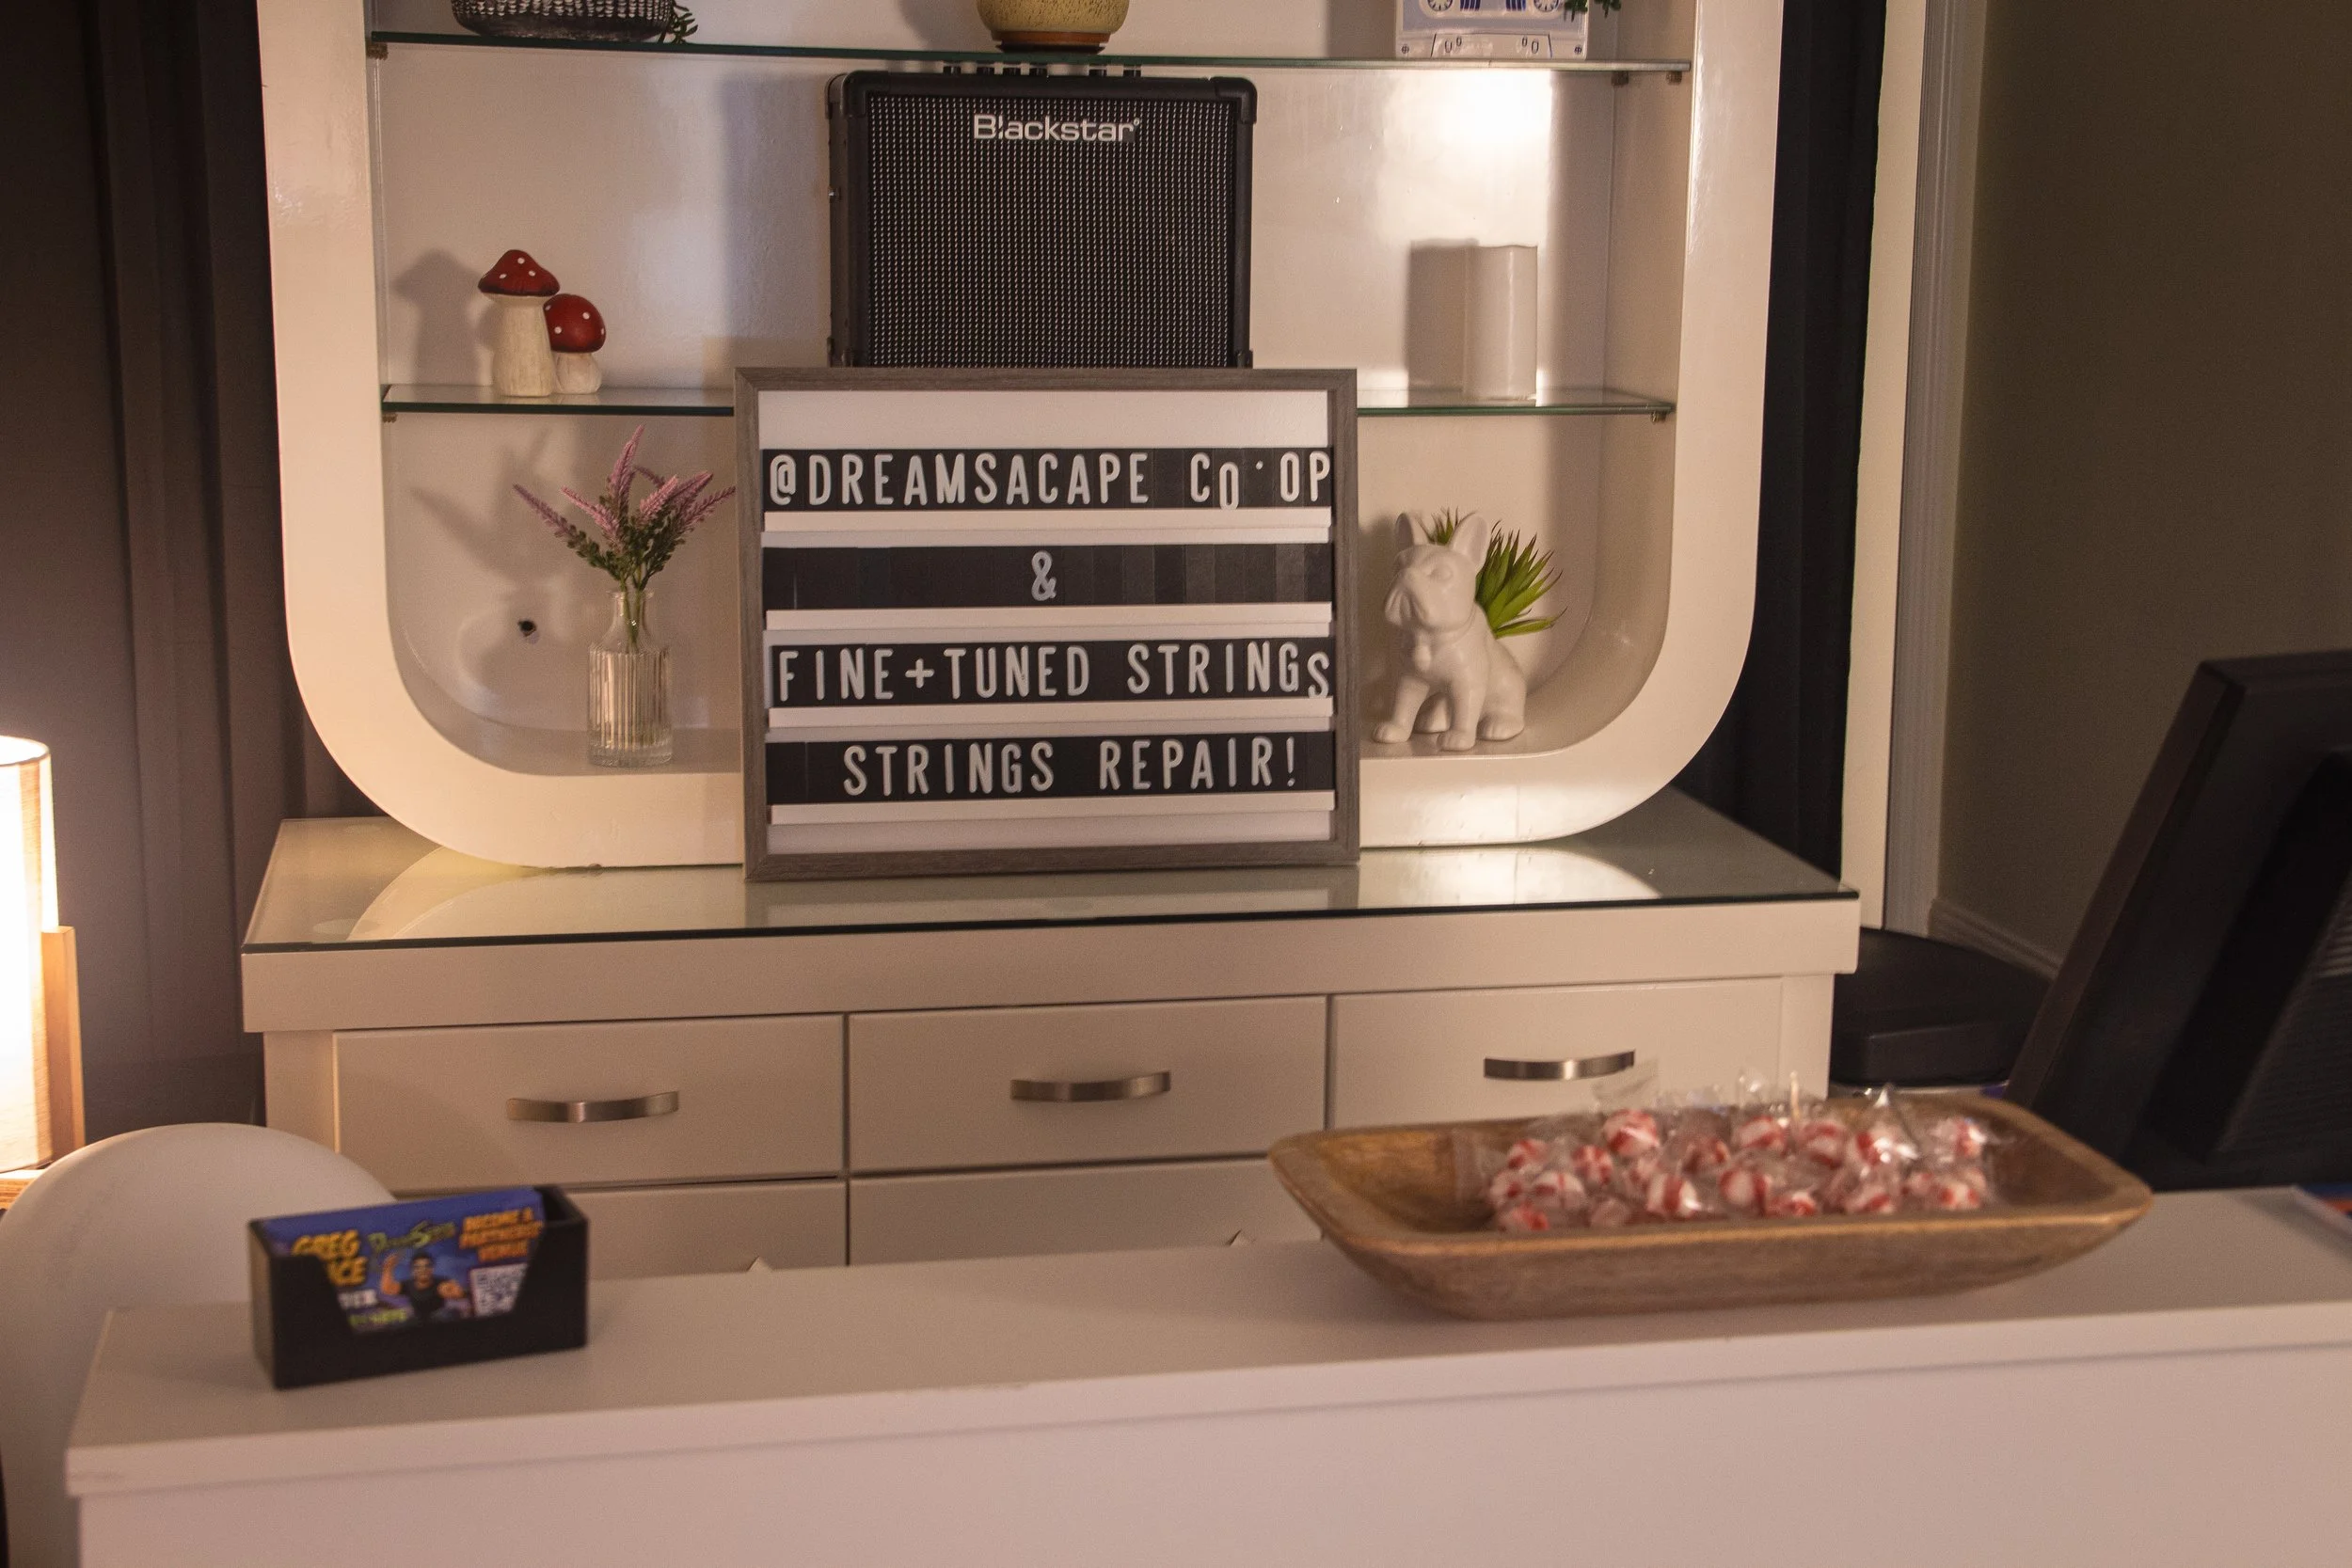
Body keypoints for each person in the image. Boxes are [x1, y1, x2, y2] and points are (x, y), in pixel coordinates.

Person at [376, 1249, 469, 1323]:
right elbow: (387, 1289)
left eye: (427, 1266)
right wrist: (388, 1268)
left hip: (440, 1319)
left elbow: (455, 1292)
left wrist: (453, 1291)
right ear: (412, 1270)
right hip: (417, 1320)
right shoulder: (408, 1284)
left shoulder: (441, 1282)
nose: (423, 1270)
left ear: (432, 1268)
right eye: (418, 1267)